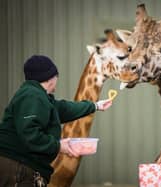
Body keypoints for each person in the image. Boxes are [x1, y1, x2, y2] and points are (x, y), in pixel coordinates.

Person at [0, 55, 112, 186]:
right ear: (51, 78)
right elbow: (30, 134)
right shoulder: (31, 95)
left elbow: (64, 109)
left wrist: (96, 105)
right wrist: (58, 146)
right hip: (17, 167)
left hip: (21, 166)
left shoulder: (41, 98)